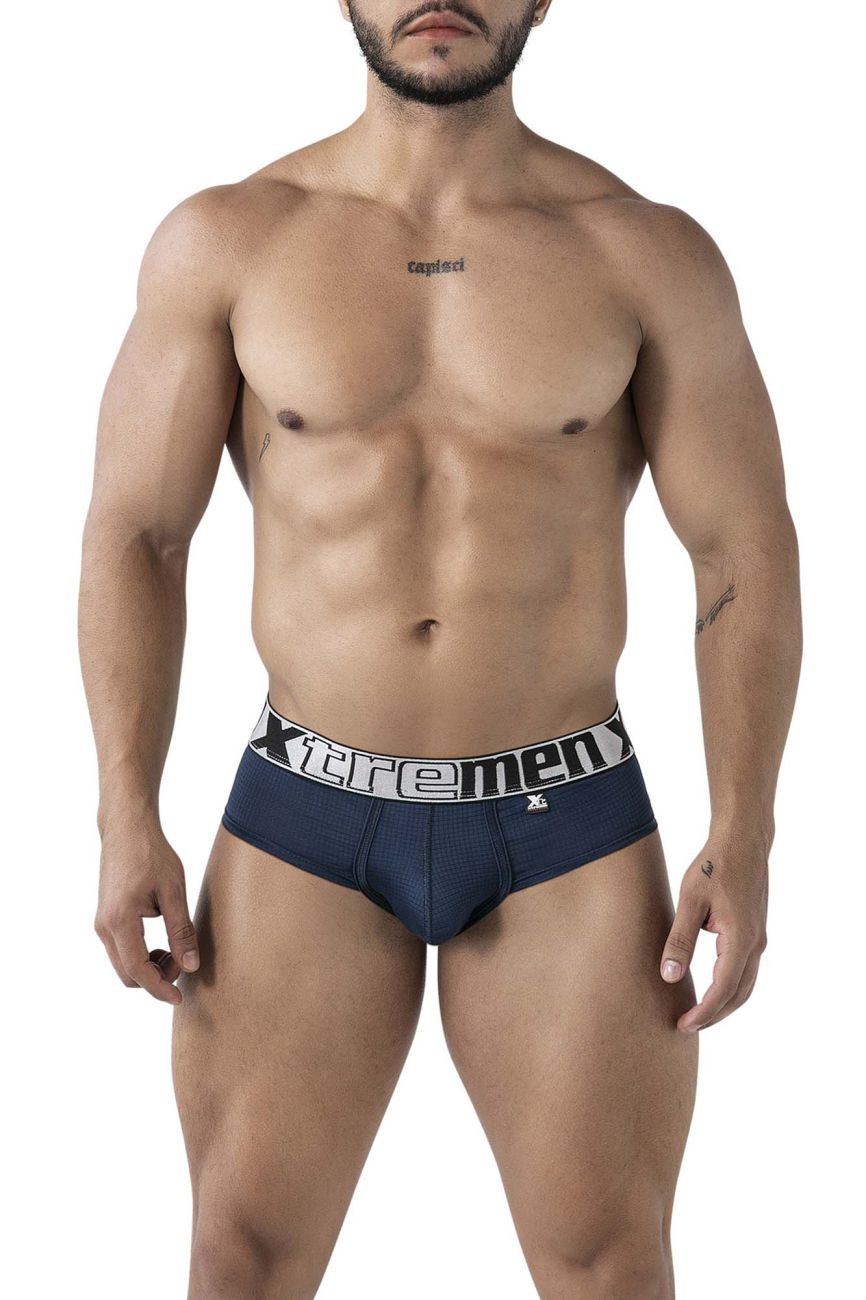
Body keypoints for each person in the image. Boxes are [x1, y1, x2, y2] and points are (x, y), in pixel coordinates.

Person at [77, 2, 802, 1296]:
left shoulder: (641, 253)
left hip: (564, 828)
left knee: (608, 1267)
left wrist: (743, 831)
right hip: (306, 814)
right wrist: (123, 812)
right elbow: (139, 534)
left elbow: (738, 550)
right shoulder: (232, 241)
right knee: (241, 1261)